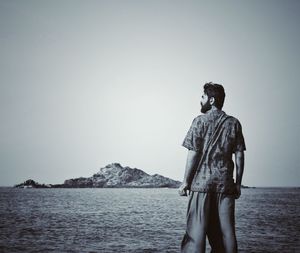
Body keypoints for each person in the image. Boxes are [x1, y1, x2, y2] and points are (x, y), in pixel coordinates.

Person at [179, 82, 246, 253]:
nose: (200, 100)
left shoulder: (199, 121)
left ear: (211, 100)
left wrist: (185, 182)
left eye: (202, 97)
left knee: (196, 233)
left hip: (201, 185)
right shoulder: (234, 123)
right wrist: (238, 183)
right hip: (225, 185)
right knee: (227, 232)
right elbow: (239, 155)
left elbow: (193, 154)